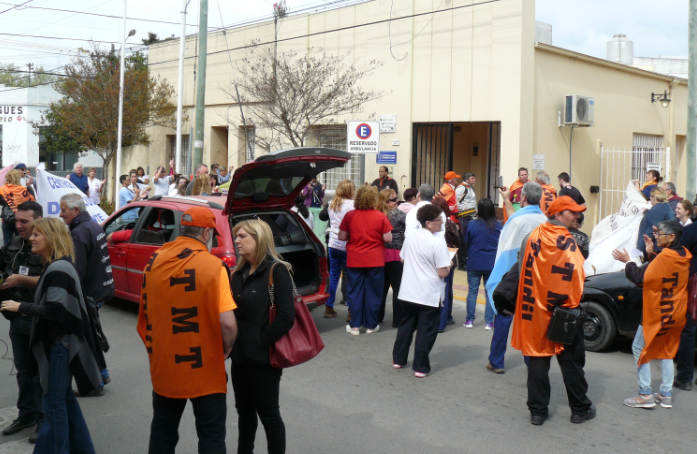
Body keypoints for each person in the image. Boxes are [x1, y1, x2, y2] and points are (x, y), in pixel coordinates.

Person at [138, 206, 237, 453]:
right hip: (205, 366)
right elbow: (227, 323)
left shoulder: (154, 260)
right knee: (211, 434)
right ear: (205, 233)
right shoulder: (214, 267)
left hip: (166, 365)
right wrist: (225, 350)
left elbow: (146, 315)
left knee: (163, 429)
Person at [1, 217, 102, 452]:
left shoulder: (58, 269)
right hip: (58, 345)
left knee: (54, 404)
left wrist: (20, 307)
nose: (31, 238)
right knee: (63, 399)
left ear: (52, 238)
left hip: (59, 346)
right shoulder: (57, 266)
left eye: (37, 234)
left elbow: (57, 311)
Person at [511, 196, 595, 425]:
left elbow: (521, 269)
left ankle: (537, 411)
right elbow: (578, 275)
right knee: (570, 361)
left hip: (534, 310)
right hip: (563, 311)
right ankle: (580, 409)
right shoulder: (570, 241)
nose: (577, 216)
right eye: (572, 212)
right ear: (557, 215)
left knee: (538, 360)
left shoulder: (533, 235)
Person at [230, 219, 295, 454]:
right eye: (236, 236)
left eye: (243, 236)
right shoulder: (238, 274)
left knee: (269, 415)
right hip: (239, 359)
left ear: (259, 240)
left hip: (264, 361)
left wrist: (260, 341)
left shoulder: (277, 271)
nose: (237, 241)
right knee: (244, 413)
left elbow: (287, 317)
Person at [613, 220, 690, 409]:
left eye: (659, 233)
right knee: (666, 350)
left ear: (671, 237)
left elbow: (640, 277)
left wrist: (628, 261)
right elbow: (660, 269)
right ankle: (665, 394)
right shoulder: (683, 254)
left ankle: (645, 394)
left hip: (656, 311)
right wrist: (651, 252)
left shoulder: (665, 257)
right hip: (676, 312)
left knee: (639, 348)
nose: (656, 235)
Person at [485, 182, 546, 374]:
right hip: (534, 278)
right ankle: (532, 363)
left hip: (512, 277)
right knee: (528, 323)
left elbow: (506, 245)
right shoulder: (544, 220)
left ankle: (496, 362)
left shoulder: (517, 221)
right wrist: (505, 199)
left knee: (503, 318)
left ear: (523, 198)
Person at [59, 193, 114, 389]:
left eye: (63, 210)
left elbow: (76, 271)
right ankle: (101, 374)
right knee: (89, 335)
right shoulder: (91, 225)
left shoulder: (79, 232)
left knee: (84, 339)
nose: (60, 214)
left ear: (75, 210)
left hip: (89, 294)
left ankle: (96, 380)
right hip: (98, 291)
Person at [0, 201, 44, 443]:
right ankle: (26, 415)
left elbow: (53, 280)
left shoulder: (49, 245)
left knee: (40, 374)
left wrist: (19, 280)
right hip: (16, 318)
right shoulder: (14, 244)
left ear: (37, 220)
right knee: (24, 372)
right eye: (16, 221)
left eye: (24, 221)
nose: (18, 225)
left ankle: (43, 419)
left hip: (38, 319)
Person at [392, 204, 452, 378]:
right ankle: (420, 366)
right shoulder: (437, 242)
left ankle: (398, 359)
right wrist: (449, 266)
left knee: (406, 325)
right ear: (428, 222)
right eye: (439, 220)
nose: (442, 223)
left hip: (409, 290)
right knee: (426, 329)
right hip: (428, 292)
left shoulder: (411, 236)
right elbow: (442, 271)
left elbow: (402, 258)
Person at [338, 186, 392, 335]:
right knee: (374, 292)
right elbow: (387, 238)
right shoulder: (380, 216)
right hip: (375, 259)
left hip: (355, 259)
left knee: (354, 291)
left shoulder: (350, 215)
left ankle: (355, 325)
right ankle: (371, 325)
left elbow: (341, 237)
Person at [463, 198, 501, 330]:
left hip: (474, 261)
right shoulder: (498, 225)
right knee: (489, 292)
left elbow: (466, 241)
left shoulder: (472, 225)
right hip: (491, 263)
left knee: (472, 291)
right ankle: (489, 322)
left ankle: (469, 320)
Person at [325, 180, 355, 319]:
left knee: (334, 275)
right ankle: (351, 310)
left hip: (333, 243)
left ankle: (329, 307)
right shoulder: (352, 205)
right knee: (350, 277)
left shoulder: (332, 203)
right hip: (346, 245)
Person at [379, 188, 406, 327]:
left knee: (382, 287)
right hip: (395, 253)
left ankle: (378, 316)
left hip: (381, 254)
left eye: (396, 199)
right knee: (397, 288)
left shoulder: (378, 214)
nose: (396, 202)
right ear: (385, 201)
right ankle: (398, 319)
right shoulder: (398, 214)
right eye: (393, 200)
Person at [675, 220, 697, 390]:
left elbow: (680, 257)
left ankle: (685, 377)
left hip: (692, 286)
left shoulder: (691, 230)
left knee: (688, 330)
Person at [432, 197, 460, 332]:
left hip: (433, 260)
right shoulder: (450, 224)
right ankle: (445, 318)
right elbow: (458, 240)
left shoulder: (430, 225)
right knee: (447, 289)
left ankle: (436, 319)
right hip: (449, 259)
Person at [0, 169, 35, 247]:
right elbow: (32, 200)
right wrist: (29, 187)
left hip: (6, 219)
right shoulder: (23, 189)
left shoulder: (2, 189)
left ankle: (7, 258)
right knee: (20, 243)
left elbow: (2, 202)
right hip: (20, 220)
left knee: (7, 244)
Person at [637, 187, 675, 256]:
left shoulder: (658, 208)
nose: (650, 198)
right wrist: (647, 212)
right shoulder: (664, 206)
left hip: (655, 248)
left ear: (654, 197)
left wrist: (640, 247)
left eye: (650, 196)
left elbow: (651, 228)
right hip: (661, 246)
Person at [455, 172, 477, 270]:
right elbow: (456, 202)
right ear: (467, 179)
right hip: (464, 217)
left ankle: (467, 261)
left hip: (470, 217)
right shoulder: (461, 188)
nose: (474, 180)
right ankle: (462, 263)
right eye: (472, 178)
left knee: (469, 240)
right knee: (463, 241)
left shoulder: (470, 188)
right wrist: (464, 209)